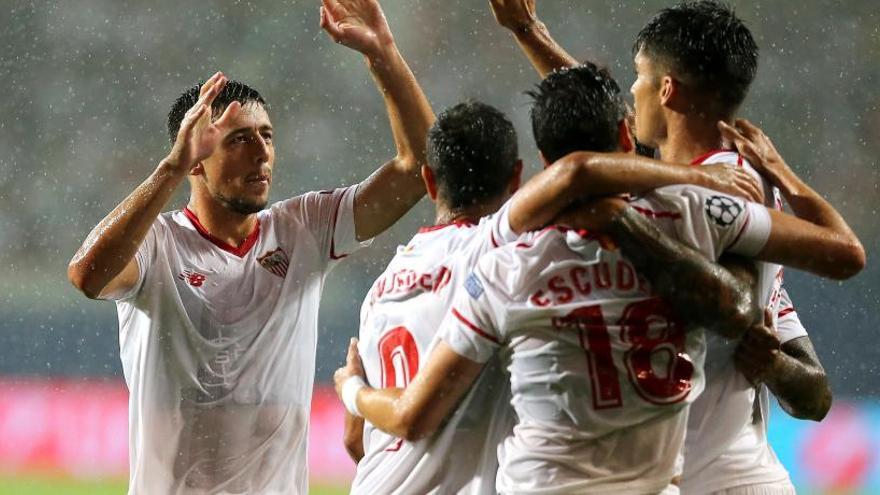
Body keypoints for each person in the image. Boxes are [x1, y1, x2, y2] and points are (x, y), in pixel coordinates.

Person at [333, 64, 864, 494]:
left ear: (538, 164)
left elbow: (408, 418)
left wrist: (354, 392)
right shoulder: (698, 214)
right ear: (625, 135)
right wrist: (756, 174)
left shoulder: (500, 261)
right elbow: (841, 255)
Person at [66, 0, 435, 490]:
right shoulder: (157, 243)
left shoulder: (304, 227)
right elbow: (87, 275)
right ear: (195, 158)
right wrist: (170, 168)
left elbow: (419, 170)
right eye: (239, 140)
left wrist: (382, 53)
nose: (262, 153)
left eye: (267, 135)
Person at [488, 1, 848, 492]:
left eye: (638, 76)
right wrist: (529, 32)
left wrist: (767, 355)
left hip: (716, 477)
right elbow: (601, 123)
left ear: (667, 89)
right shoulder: (698, 182)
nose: (630, 95)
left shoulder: (721, 189)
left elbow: (745, 307)